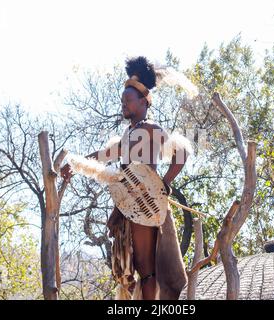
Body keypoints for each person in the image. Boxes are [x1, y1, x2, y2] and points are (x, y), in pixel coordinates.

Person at [61, 56, 188, 300]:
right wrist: (75, 165)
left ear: (143, 102)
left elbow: (181, 152)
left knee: (146, 269)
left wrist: (162, 186)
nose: (124, 105)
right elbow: (103, 155)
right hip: (127, 203)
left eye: (128, 100)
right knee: (127, 268)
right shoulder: (129, 134)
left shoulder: (150, 128)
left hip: (143, 205)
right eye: (122, 101)